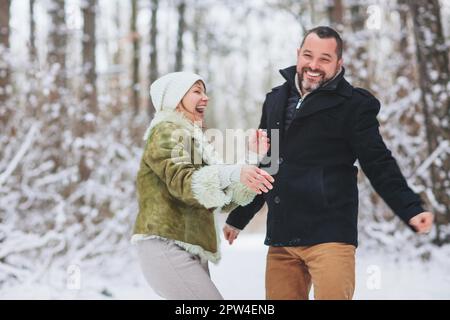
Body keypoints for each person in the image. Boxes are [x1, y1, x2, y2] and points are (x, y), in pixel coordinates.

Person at [223, 26, 434, 300]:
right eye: (308, 55)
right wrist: (239, 217)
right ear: (298, 54)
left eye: (324, 59)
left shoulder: (354, 105)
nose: (313, 65)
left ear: (338, 63)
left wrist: (409, 207)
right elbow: (268, 164)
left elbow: (378, 162)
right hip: (283, 238)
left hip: (330, 236)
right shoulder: (275, 100)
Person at [132, 71, 273, 300]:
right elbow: (186, 184)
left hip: (189, 246)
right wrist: (234, 172)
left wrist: (250, 157)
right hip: (165, 243)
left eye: (205, 91)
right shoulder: (166, 132)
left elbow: (222, 198)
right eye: (197, 91)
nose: (205, 98)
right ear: (175, 98)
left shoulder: (194, 140)